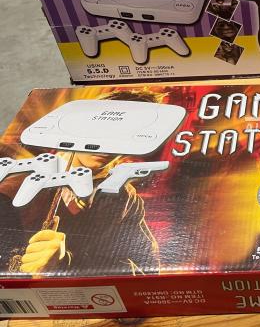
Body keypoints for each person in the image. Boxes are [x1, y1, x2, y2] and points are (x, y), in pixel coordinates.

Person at [8, 90, 162, 276]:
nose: (107, 146)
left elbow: (147, 270)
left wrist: (68, 263)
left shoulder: (127, 198)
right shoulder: (20, 182)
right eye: (101, 131)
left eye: (125, 136)